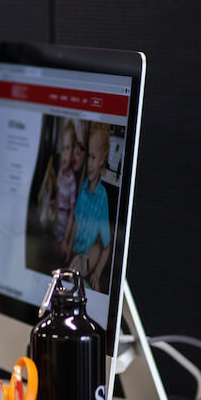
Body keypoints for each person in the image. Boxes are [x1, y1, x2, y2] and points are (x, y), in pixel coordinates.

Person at [63, 122, 112, 291]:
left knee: (96, 248)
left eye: (93, 157)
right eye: (88, 157)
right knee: (71, 266)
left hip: (89, 255)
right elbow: (75, 222)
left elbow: (106, 246)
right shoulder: (82, 189)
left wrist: (97, 272)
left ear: (102, 158)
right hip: (76, 251)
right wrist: (68, 249)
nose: (89, 164)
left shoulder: (102, 197)